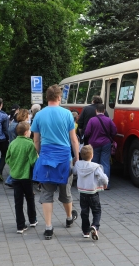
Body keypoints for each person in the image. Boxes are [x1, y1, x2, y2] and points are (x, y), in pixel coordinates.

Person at [31, 84, 80, 240]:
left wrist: (40, 154)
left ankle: (48, 228)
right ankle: (68, 218)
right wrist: (77, 157)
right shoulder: (67, 114)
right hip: (64, 159)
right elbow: (73, 139)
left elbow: (36, 141)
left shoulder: (39, 115)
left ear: (47, 98)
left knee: (46, 193)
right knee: (66, 191)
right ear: (59, 97)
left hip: (46, 158)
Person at [6, 121, 39, 234]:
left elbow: (7, 158)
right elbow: (33, 161)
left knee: (18, 201)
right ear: (26, 132)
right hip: (26, 176)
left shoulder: (12, 143)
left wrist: (14, 165)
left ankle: (20, 225)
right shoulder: (30, 144)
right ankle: (32, 219)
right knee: (30, 198)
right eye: (30, 130)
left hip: (15, 176)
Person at [74, 145, 108, 240]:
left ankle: (85, 231)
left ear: (81, 155)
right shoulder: (96, 167)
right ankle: (95, 226)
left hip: (82, 193)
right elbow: (103, 177)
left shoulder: (78, 164)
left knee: (84, 212)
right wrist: (105, 184)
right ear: (92, 155)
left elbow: (73, 171)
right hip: (93, 193)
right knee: (97, 211)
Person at [84, 104, 117, 189]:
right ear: (104, 111)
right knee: (105, 163)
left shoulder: (92, 120)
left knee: (94, 163)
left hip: (94, 144)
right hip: (106, 144)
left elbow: (87, 132)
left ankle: (95, 184)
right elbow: (114, 131)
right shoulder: (108, 120)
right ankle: (106, 185)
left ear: (96, 111)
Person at [6, 108, 29, 187]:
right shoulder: (20, 126)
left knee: (16, 165)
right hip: (19, 147)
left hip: (12, 146)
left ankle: (10, 179)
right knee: (19, 165)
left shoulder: (13, 124)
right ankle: (10, 180)